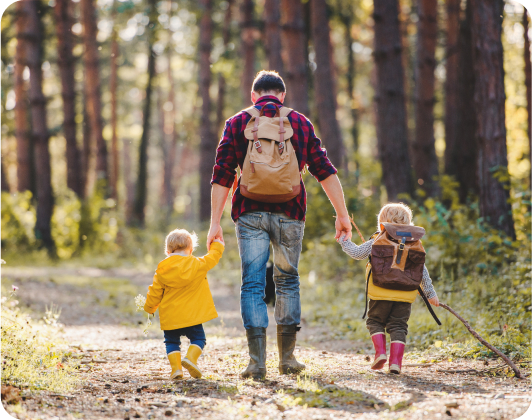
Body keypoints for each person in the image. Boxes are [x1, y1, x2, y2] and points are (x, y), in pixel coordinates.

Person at [208, 70, 352, 380]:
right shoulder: (299, 122)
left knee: (253, 284)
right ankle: (288, 359)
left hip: (249, 213)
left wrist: (213, 224)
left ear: (253, 96)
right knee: (287, 281)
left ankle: (256, 363)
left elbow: (222, 174)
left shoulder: (237, 123)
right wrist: (342, 215)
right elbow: (323, 169)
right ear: (282, 96)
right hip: (291, 213)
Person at [338, 203, 439, 374]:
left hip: (380, 292)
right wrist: (430, 294)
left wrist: (343, 240)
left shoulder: (378, 240)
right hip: (405, 295)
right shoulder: (414, 243)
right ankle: (395, 364)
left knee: (375, 321)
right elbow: (422, 270)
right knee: (399, 326)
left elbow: (356, 254)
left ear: (382, 223)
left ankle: (380, 353)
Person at [143, 228, 224, 380]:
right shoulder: (197, 264)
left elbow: (155, 292)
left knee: (172, 342)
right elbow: (212, 257)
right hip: (192, 316)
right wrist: (218, 244)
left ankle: (176, 370)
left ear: (167, 251)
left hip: (171, 317)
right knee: (199, 339)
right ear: (191, 250)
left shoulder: (162, 269)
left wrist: (149, 307)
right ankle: (191, 359)